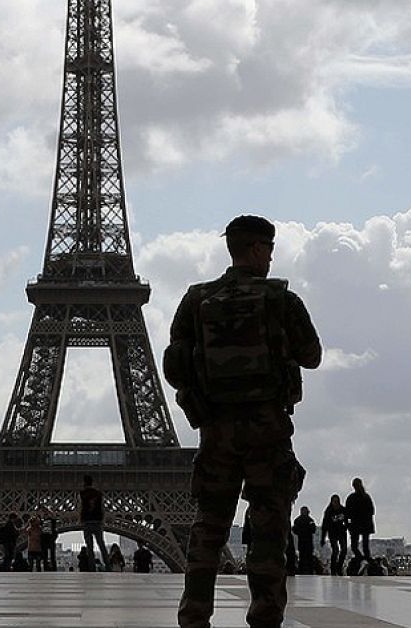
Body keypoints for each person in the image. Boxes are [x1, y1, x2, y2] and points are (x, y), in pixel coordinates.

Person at [162, 215, 322, 628]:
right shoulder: (280, 298)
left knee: (207, 529)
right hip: (267, 430)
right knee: (269, 532)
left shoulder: (197, 300)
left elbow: (174, 366)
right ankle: (265, 617)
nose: (271, 258)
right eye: (269, 249)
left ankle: (194, 616)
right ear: (255, 248)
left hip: (216, 432)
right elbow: (312, 356)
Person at [78, 476, 109, 571]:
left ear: (84, 483)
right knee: (101, 544)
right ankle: (108, 565)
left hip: (87, 522)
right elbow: (102, 508)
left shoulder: (81, 494)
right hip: (97, 522)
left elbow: (80, 507)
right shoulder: (99, 494)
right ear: (92, 483)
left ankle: (92, 568)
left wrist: (80, 520)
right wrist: (102, 520)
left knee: (89, 547)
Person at [345, 478, 375, 566]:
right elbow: (372, 511)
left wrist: (348, 525)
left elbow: (347, 514)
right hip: (364, 525)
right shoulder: (366, 497)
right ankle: (366, 561)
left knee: (355, 547)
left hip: (356, 525)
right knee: (364, 547)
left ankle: (362, 560)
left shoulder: (352, 498)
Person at [320, 495, 348, 577]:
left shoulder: (343, 510)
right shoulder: (329, 511)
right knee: (335, 550)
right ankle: (333, 569)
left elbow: (348, 519)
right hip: (332, 533)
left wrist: (347, 527)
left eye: (337, 501)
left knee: (344, 550)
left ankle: (339, 567)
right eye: (334, 502)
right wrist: (323, 538)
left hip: (342, 532)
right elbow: (324, 525)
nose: (335, 503)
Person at [291, 506, 318, 575]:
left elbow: (313, 529)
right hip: (303, 541)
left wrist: (301, 532)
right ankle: (304, 571)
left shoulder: (308, 520)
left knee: (307, 557)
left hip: (306, 541)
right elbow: (294, 529)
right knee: (304, 557)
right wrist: (302, 532)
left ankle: (306, 571)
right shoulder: (303, 520)